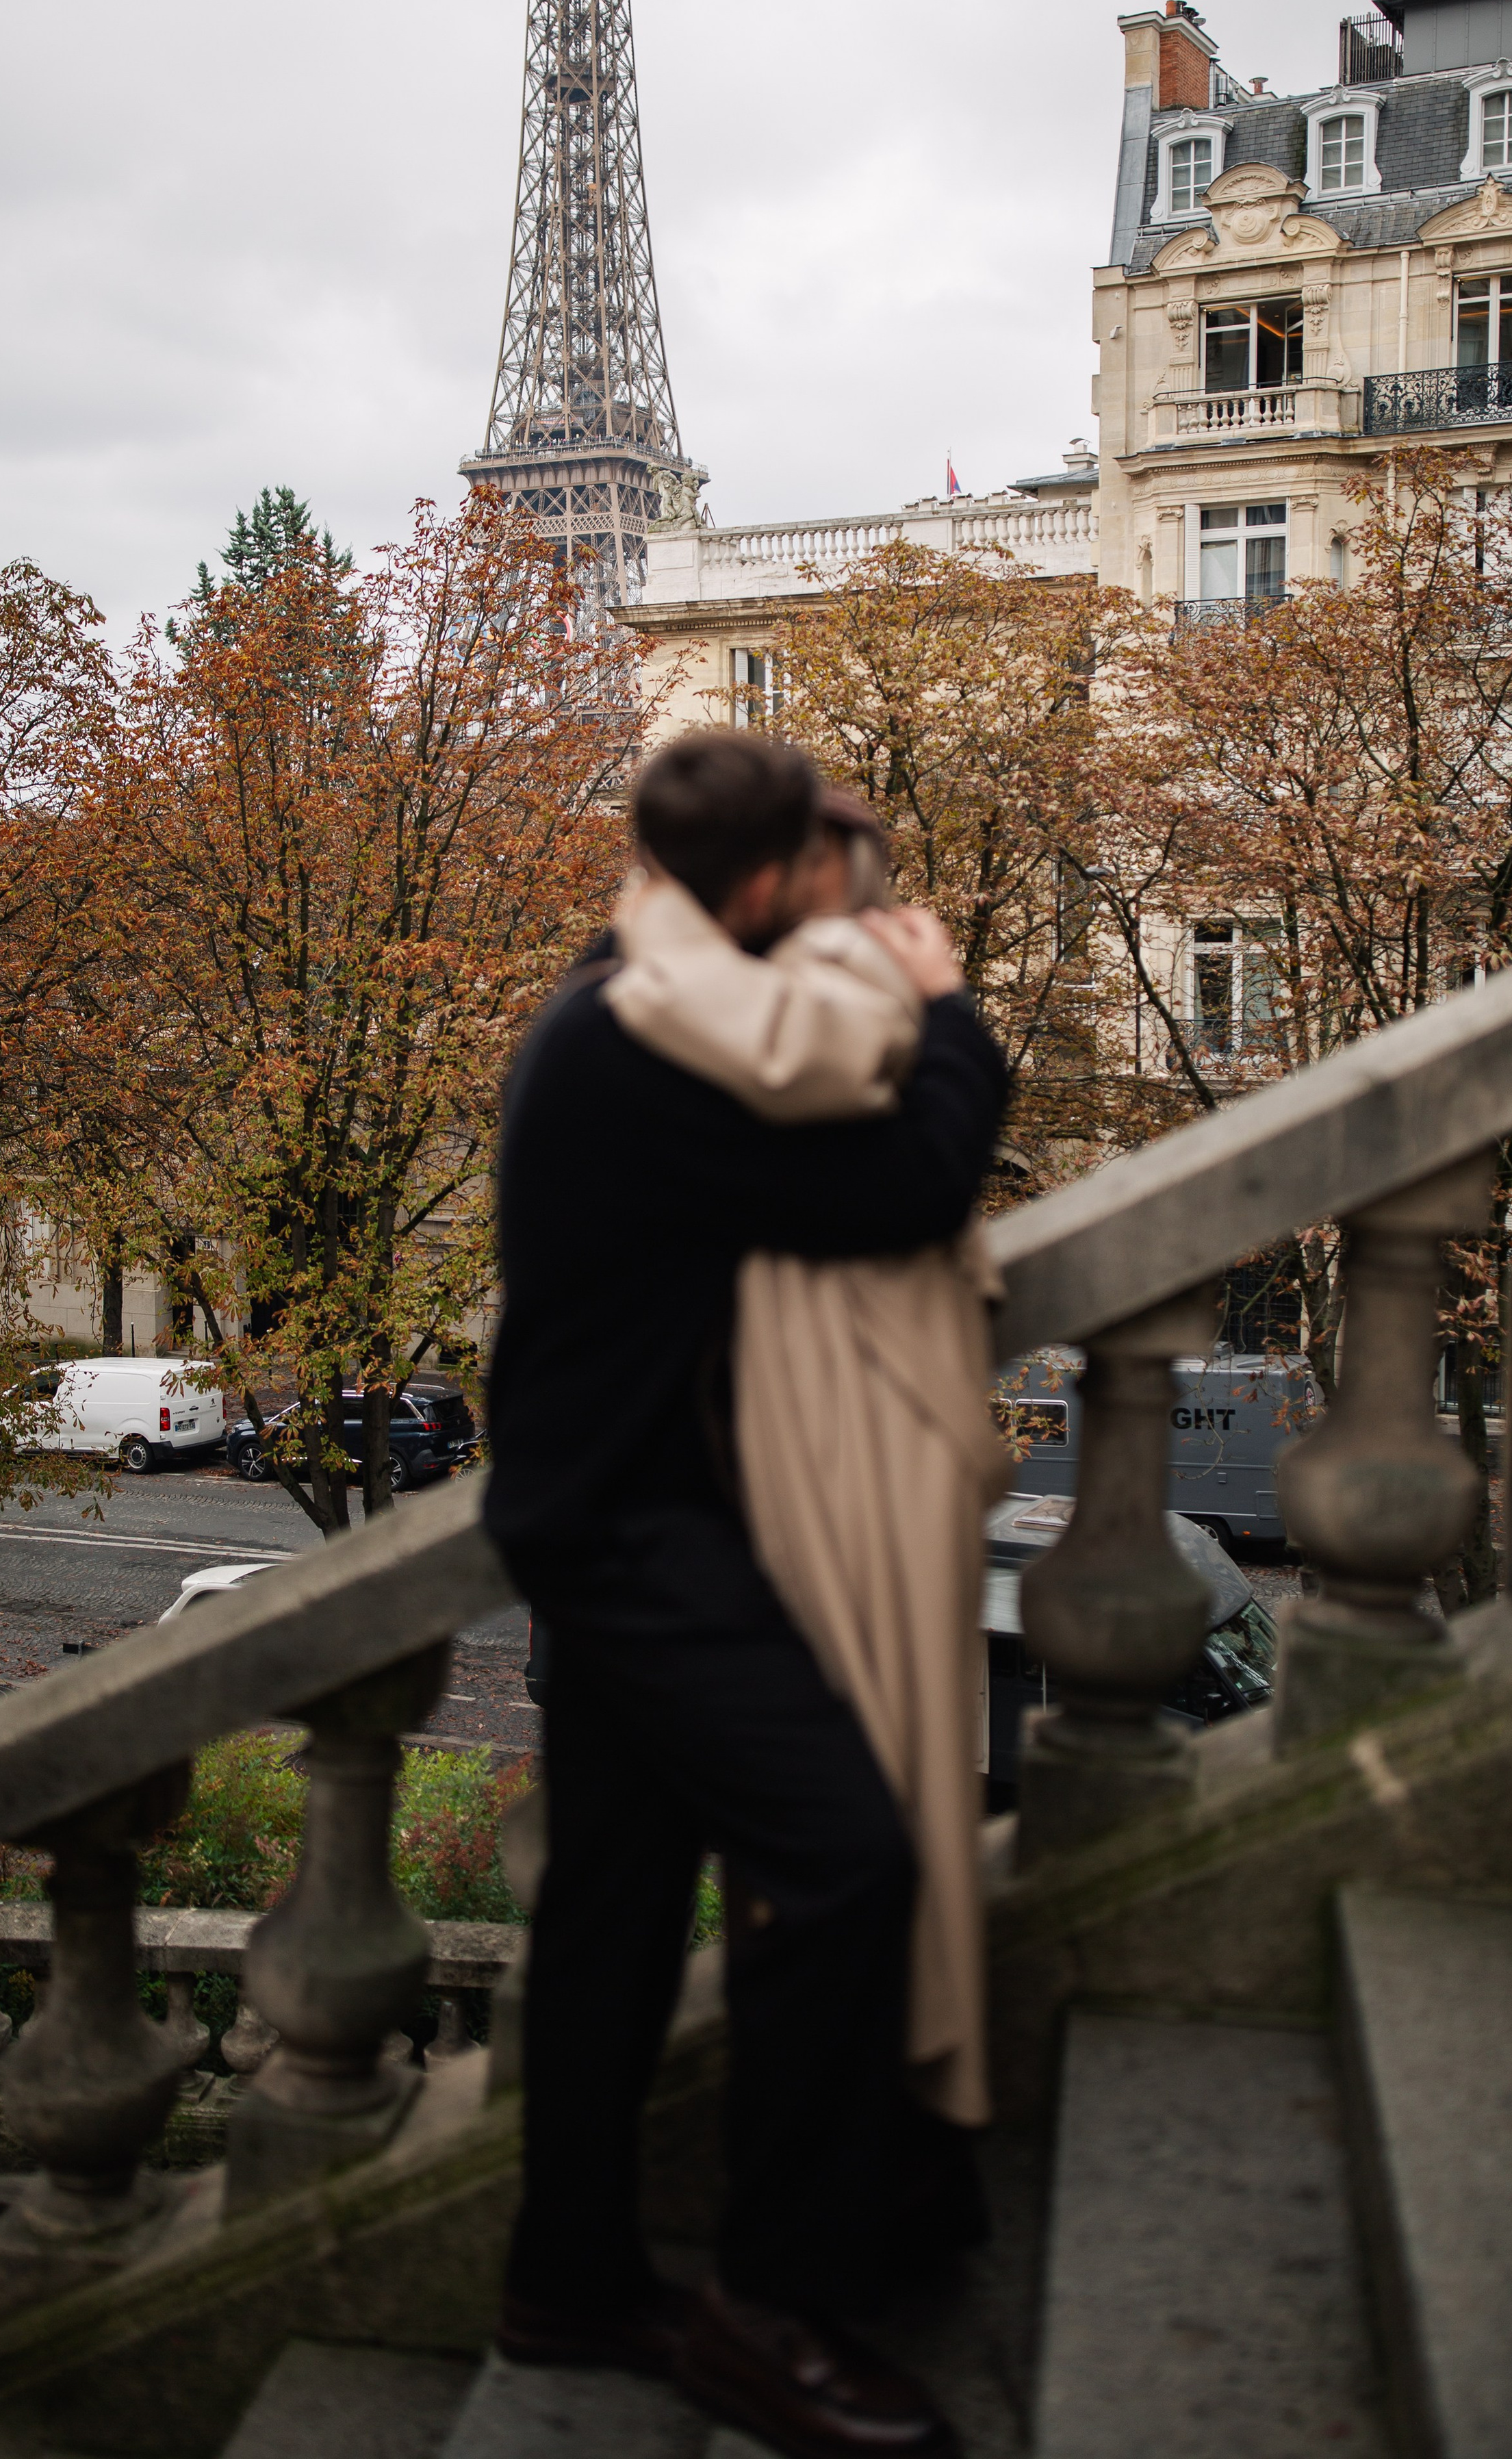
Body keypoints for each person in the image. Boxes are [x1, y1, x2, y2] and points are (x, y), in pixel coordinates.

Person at [484, 730, 1010, 2459]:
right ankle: (774, 2307)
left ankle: (569, 2278)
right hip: (649, 1543)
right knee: (845, 1865)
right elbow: (901, 1188)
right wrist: (947, 1015)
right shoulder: (657, 1052)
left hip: (594, 1516)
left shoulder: (631, 977)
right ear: (770, 887)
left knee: (614, 1916)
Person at [604, 791, 1010, 2130]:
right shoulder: (816, 981)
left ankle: (855, 2159)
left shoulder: (807, 981)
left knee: (846, 1826)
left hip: (842, 1446)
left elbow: (899, 1159)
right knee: (885, 1800)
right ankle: (895, 2128)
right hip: (858, 1439)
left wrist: (655, 929)